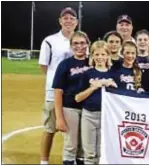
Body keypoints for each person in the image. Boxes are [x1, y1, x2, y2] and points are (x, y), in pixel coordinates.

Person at [38, 7, 78, 165]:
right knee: (50, 129)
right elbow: (44, 66)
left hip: (75, 91)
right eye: (65, 18)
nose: (68, 20)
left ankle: (72, 158)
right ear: (60, 21)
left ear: (77, 22)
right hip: (53, 92)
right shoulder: (50, 40)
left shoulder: (82, 40)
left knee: (74, 128)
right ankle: (44, 161)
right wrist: (57, 81)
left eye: (71, 18)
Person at [75, 40, 117, 165]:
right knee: (89, 154)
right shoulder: (88, 74)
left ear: (108, 56)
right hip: (89, 115)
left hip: (107, 117)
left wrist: (112, 85)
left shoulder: (113, 74)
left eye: (103, 54)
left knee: (101, 152)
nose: (100, 58)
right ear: (92, 56)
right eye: (97, 55)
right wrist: (93, 87)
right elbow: (78, 98)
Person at [52, 31, 90, 165]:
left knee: (84, 147)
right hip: (70, 108)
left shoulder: (93, 61)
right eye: (75, 43)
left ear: (88, 44)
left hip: (89, 110)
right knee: (70, 145)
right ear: (71, 45)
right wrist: (59, 118)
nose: (79, 46)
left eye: (82, 43)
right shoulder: (65, 64)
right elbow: (57, 92)